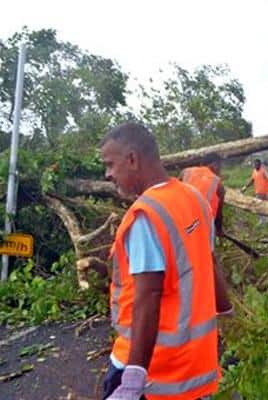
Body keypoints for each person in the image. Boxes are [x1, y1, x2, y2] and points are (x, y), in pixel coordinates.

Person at [99, 122, 231, 400]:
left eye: (110, 164)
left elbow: (148, 295)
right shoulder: (193, 198)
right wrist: (228, 314)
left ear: (132, 159)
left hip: (152, 372)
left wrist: (133, 378)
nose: (107, 174)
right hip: (193, 370)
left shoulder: (146, 215)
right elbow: (208, 262)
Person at [180, 153, 225, 237]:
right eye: (220, 167)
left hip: (182, 220)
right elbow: (219, 214)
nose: (220, 171)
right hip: (204, 227)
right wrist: (219, 230)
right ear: (215, 165)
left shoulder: (186, 172)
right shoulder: (218, 184)